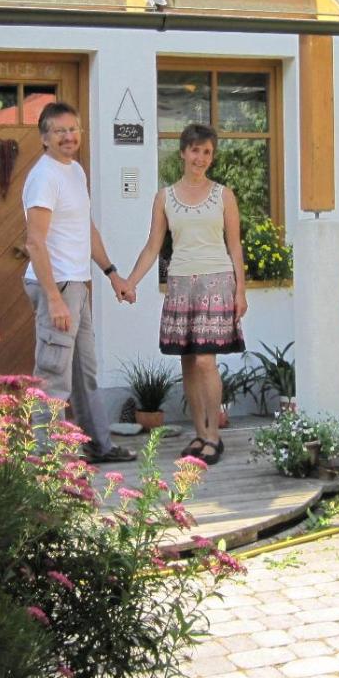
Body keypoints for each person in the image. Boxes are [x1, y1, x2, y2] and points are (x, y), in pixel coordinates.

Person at [122, 123, 247, 464]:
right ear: (182, 152)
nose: (200, 158)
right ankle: (200, 433)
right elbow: (153, 246)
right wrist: (131, 281)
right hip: (180, 283)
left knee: (206, 360)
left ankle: (214, 436)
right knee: (189, 361)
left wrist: (241, 291)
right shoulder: (165, 197)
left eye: (207, 152)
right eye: (195, 150)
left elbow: (235, 246)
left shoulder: (224, 195)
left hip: (216, 282)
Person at [22, 101, 137, 463]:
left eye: (73, 129)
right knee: (53, 374)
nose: (69, 136)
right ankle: (47, 457)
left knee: (84, 372)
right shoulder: (44, 177)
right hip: (57, 287)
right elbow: (35, 242)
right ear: (44, 138)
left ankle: (97, 445)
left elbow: (84, 228)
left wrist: (111, 273)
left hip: (77, 285)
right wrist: (54, 299)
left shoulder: (74, 171)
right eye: (60, 131)